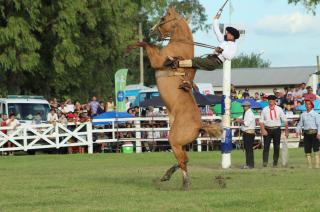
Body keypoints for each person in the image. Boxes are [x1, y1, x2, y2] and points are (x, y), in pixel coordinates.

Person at [163, 10, 239, 91]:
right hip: (210, 59)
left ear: (232, 36)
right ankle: (187, 81)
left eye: (228, 33)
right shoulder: (224, 41)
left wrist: (221, 51)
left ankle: (175, 63)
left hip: (214, 62)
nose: (226, 34)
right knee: (193, 63)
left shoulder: (233, 46)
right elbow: (216, 30)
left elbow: (229, 56)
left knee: (196, 61)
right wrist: (216, 19)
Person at [259, 95, 289, 167]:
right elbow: (261, 121)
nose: (271, 102)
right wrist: (263, 129)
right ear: (268, 101)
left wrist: (286, 131)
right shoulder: (265, 109)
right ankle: (265, 162)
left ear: (275, 101)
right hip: (267, 129)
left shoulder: (279, 109)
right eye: (269, 100)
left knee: (276, 147)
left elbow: (285, 120)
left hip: (277, 129)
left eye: (272, 100)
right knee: (266, 146)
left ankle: (275, 162)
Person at [296, 100, 320, 168]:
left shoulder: (316, 114)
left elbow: (319, 125)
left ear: (311, 105)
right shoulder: (303, 114)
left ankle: (317, 165)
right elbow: (300, 124)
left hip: (314, 133)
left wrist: (319, 133)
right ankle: (309, 165)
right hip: (306, 134)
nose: (307, 105)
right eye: (306, 104)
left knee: (316, 149)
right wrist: (297, 131)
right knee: (307, 149)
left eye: (309, 104)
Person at [236, 101, 256, 169]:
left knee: (249, 149)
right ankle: (249, 164)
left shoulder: (249, 114)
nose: (243, 107)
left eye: (245, 106)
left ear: (248, 106)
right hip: (247, 133)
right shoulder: (246, 113)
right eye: (243, 106)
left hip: (249, 133)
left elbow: (246, 123)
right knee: (248, 149)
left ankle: (250, 164)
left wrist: (240, 121)